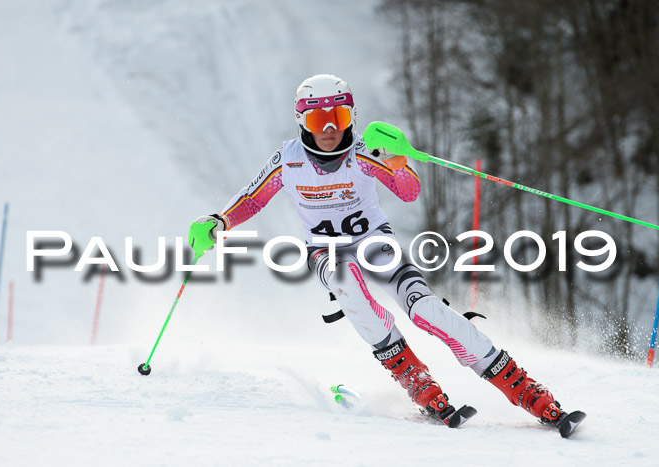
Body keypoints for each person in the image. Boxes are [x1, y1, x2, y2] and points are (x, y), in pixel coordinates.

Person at [189, 73, 573, 429]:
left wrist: (398, 161)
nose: (328, 128)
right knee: (347, 283)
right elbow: (253, 198)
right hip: (326, 252)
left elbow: (409, 191)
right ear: (300, 120)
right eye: (317, 118)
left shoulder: (363, 151)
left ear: (350, 116)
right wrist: (219, 221)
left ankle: (521, 386)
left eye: (337, 116)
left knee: (425, 309)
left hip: (375, 244)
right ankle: (411, 373)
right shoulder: (288, 159)